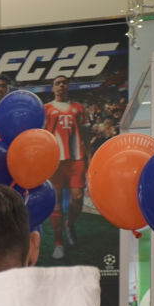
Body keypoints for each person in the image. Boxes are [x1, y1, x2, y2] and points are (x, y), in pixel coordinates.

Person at [46, 74, 90, 259]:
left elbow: (85, 133)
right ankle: (59, 243)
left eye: (64, 83)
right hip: (54, 160)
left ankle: (70, 224)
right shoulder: (46, 109)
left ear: (68, 86)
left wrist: (90, 154)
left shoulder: (78, 108)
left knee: (78, 197)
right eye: (58, 83)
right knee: (56, 201)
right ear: (53, 88)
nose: (61, 86)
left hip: (76, 158)